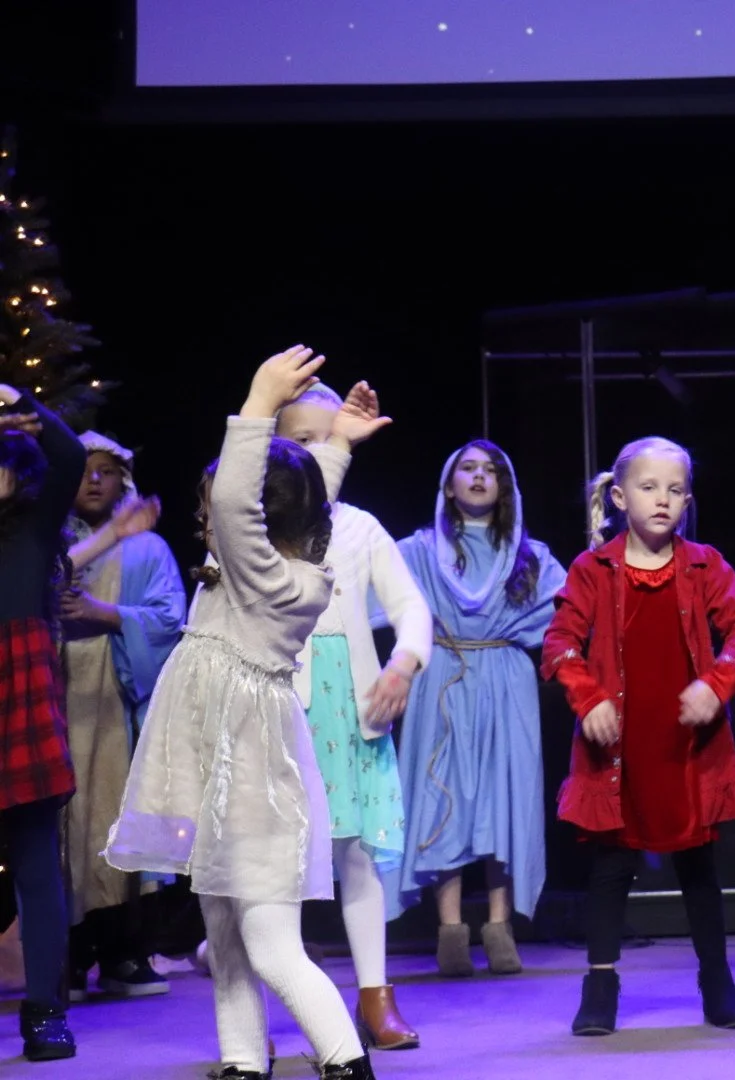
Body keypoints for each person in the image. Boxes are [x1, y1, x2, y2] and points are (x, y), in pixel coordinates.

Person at [104, 346, 376, 1080]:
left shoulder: (263, 576)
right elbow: (304, 498)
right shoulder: (284, 559)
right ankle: (241, 1061)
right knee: (222, 925)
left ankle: (346, 1060)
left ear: (255, 520)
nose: (211, 517)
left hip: (250, 768)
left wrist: (258, 403)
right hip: (224, 759)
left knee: (268, 941)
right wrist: (339, 446)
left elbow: (233, 502)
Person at [541, 436, 735, 1035]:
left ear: (687, 499)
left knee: (699, 868)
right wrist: (587, 699)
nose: (662, 499)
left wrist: (718, 683)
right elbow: (561, 642)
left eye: (674, 490)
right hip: (620, 750)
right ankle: (600, 985)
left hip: (685, 749)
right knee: (611, 870)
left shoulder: (705, 565)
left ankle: (717, 981)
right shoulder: (593, 570)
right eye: (648, 487)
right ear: (619, 496)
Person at [277, 382, 435, 1047]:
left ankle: (376, 998)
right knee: (279, 861)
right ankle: (291, 997)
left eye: (326, 438)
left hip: (353, 708)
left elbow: (410, 608)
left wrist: (402, 664)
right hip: (283, 706)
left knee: (360, 857)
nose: (316, 453)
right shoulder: (257, 531)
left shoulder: (361, 527)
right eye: (302, 440)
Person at [390, 438, 566, 977]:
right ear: (449, 484)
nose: (479, 477)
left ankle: (498, 925)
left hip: (505, 679)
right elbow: (369, 597)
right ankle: (449, 929)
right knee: (443, 798)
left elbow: (570, 612)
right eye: (467, 468)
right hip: (440, 674)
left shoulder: (530, 557)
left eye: (491, 470)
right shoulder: (417, 552)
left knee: (502, 798)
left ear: (504, 487)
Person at [60, 433, 185, 1001]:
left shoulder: (147, 550)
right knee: (67, 824)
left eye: (106, 471)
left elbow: (167, 619)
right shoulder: (51, 542)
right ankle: (64, 956)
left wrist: (103, 612)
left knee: (113, 818)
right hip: (56, 694)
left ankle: (121, 953)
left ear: (123, 482)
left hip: (117, 698)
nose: (93, 480)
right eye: (84, 470)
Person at [0, 382, 86, 1061]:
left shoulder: (34, 522)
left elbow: (67, 451)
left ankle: (45, 1012)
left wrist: (15, 393)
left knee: (35, 863)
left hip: (18, 695)